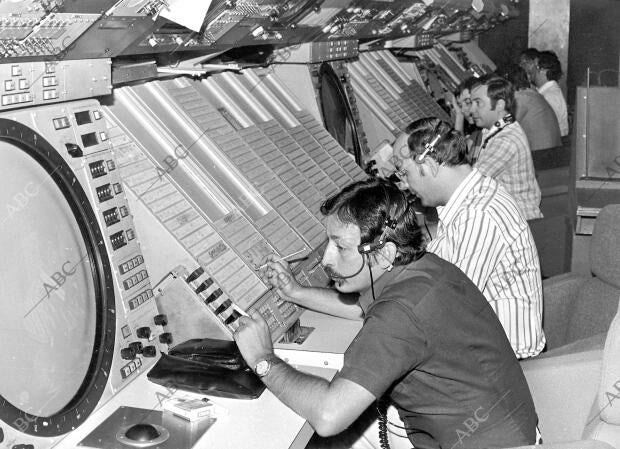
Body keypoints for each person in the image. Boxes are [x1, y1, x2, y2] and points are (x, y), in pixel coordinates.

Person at [234, 178, 539, 449]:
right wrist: (295, 292)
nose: (327, 259)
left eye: (340, 247)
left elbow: (328, 416)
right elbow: (359, 309)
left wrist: (264, 360)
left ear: (385, 253)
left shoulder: (400, 313)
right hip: (503, 428)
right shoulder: (423, 270)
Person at [390, 117, 545, 359]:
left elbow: (446, 304)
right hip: (487, 350)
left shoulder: (477, 214)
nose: (406, 185)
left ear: (429, 163)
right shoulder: (476, 195)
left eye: (405, 173)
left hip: (507, 363)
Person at [468, 75, 543, 220]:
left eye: (478, 103)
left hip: (519, 223)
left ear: (500, 105)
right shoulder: (498, 129)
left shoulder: (505, 140)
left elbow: (470, 186)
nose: (472, 110)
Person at [503, 64, 562, 151]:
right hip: (550, 150)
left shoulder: (522, 97)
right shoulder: (531, 94)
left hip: (542, 154)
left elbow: (508, 124)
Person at [532, 50, 569, 137]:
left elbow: (547, 131)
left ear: (543, 70)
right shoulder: (546, 92)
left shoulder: (549, 96)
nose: (530, 71)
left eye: (534, 67)